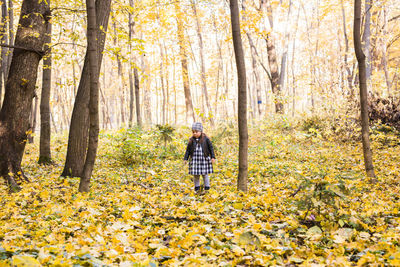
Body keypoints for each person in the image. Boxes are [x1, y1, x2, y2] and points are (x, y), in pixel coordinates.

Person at [184, 122, 216, 192]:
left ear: (201, 131)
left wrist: (212, 157)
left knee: (205, 174)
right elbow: (188, 150)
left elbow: (211, 148)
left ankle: (207, 187)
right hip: (195, 160)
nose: (194, 133)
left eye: (196, 131)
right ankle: (197, 188)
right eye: (193, 132)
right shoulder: (191, 140)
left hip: (204, 159)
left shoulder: (206, 139)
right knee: (196, 175)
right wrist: (185, 159)